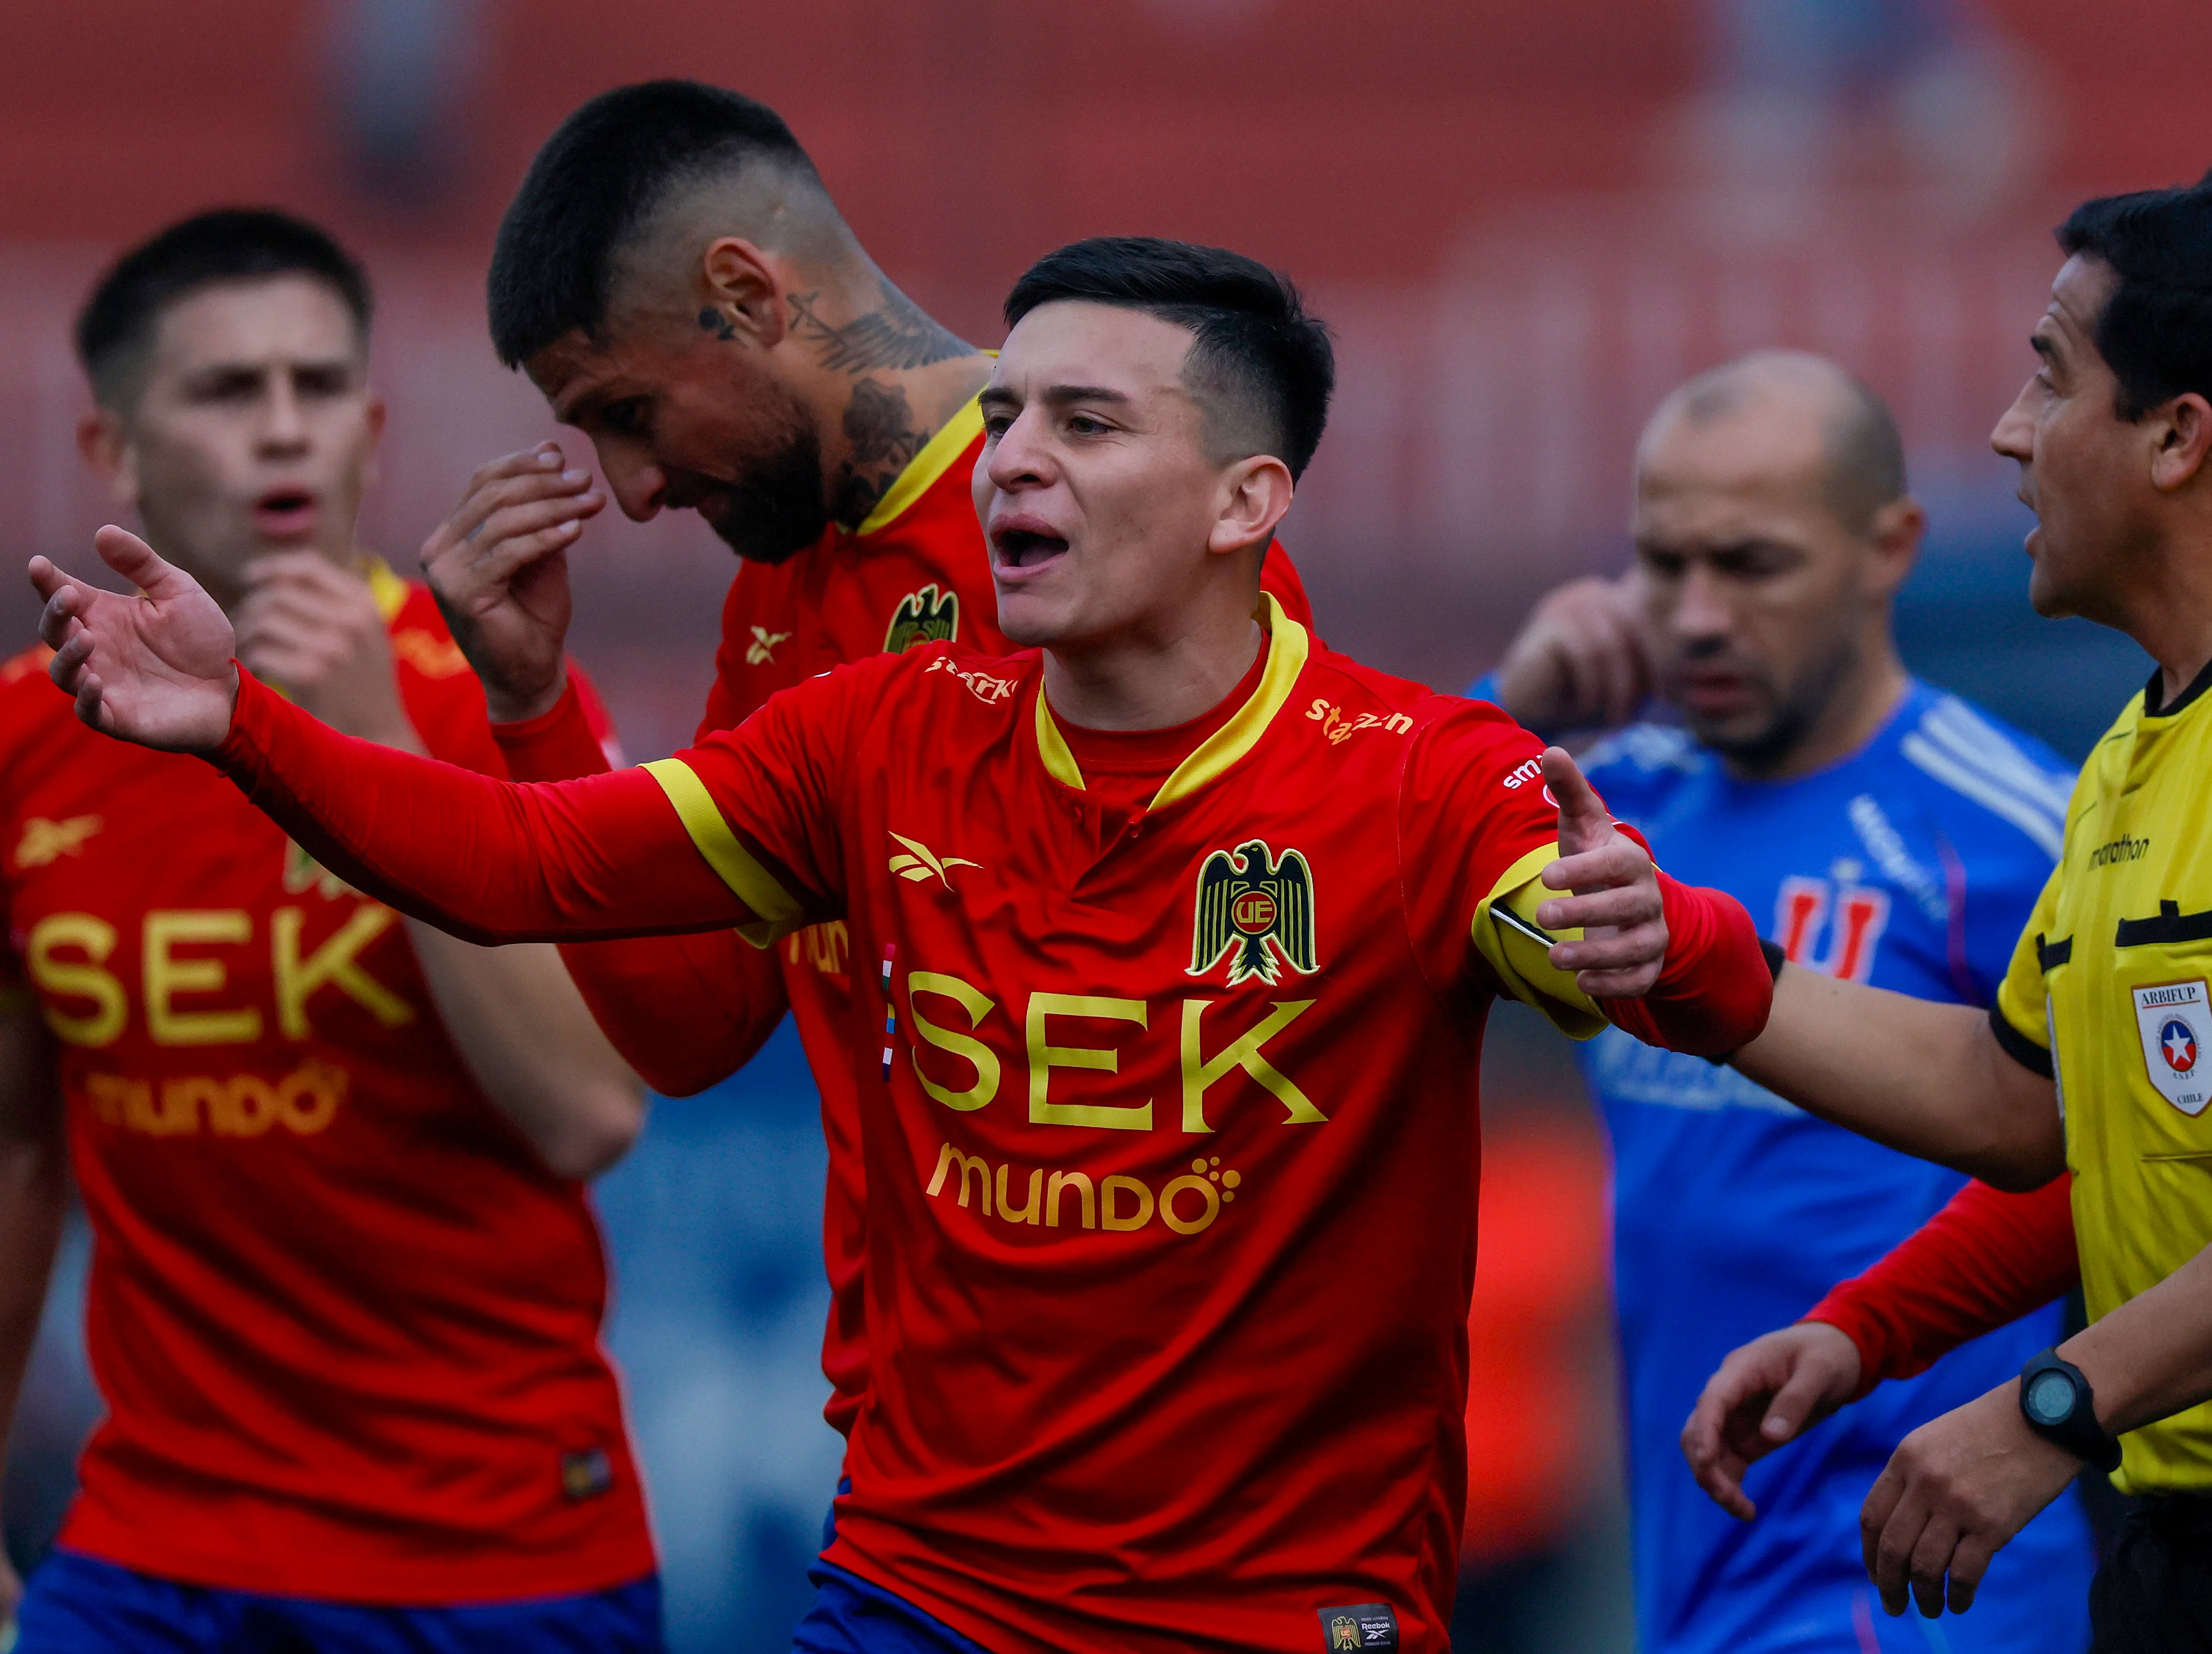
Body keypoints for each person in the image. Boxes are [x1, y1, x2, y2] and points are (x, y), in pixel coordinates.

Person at [32, 236, 1776, 1654]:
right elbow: (518, 866)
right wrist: (242, 719)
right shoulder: (869, 731)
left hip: (1269, 1612)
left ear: (1248, 502)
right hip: (915, 1593)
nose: (1013, 457)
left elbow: (1637, 954)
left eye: (1085, 424)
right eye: (1005, 417)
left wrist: (1639, 930)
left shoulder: (1418, 775)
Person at [421, 81, 1315, 1475]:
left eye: (631, 408)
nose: (633, 488)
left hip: (1171, 1475)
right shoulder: (780, 591)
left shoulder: (1120, 534)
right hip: (918, 1462)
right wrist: (533, 705)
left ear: (745, 292)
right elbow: (698, 1021)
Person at [1657, 181, 2212, 1652]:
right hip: (2194, 1550)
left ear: (2178, 436)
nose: (2008, 431)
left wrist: (2055, 1402)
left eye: (2049, 372)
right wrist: (1679, 961)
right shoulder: (2139, 744)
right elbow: (2018, 1101)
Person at [0, 211, 658, 1649]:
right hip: (155, 1542)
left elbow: (590, 1113)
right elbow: (15, 1144)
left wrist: (369, 744)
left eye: (317, 390)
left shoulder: (497, 693)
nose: (284, 431)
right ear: (110, 449)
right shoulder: (25, 739)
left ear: (369, 430)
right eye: (230, 393)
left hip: (494, 1549)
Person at [1479, 351, 2090, 1653]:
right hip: (1689, 1558)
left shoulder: (2016, 826)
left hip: (1923, 1583)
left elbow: (2145, 1166)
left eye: (1748, 565)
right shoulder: (1605, 808)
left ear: (1888, 547)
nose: (1694, 615)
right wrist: (1500, 710)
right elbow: (1324, 900)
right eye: (1662, 562)